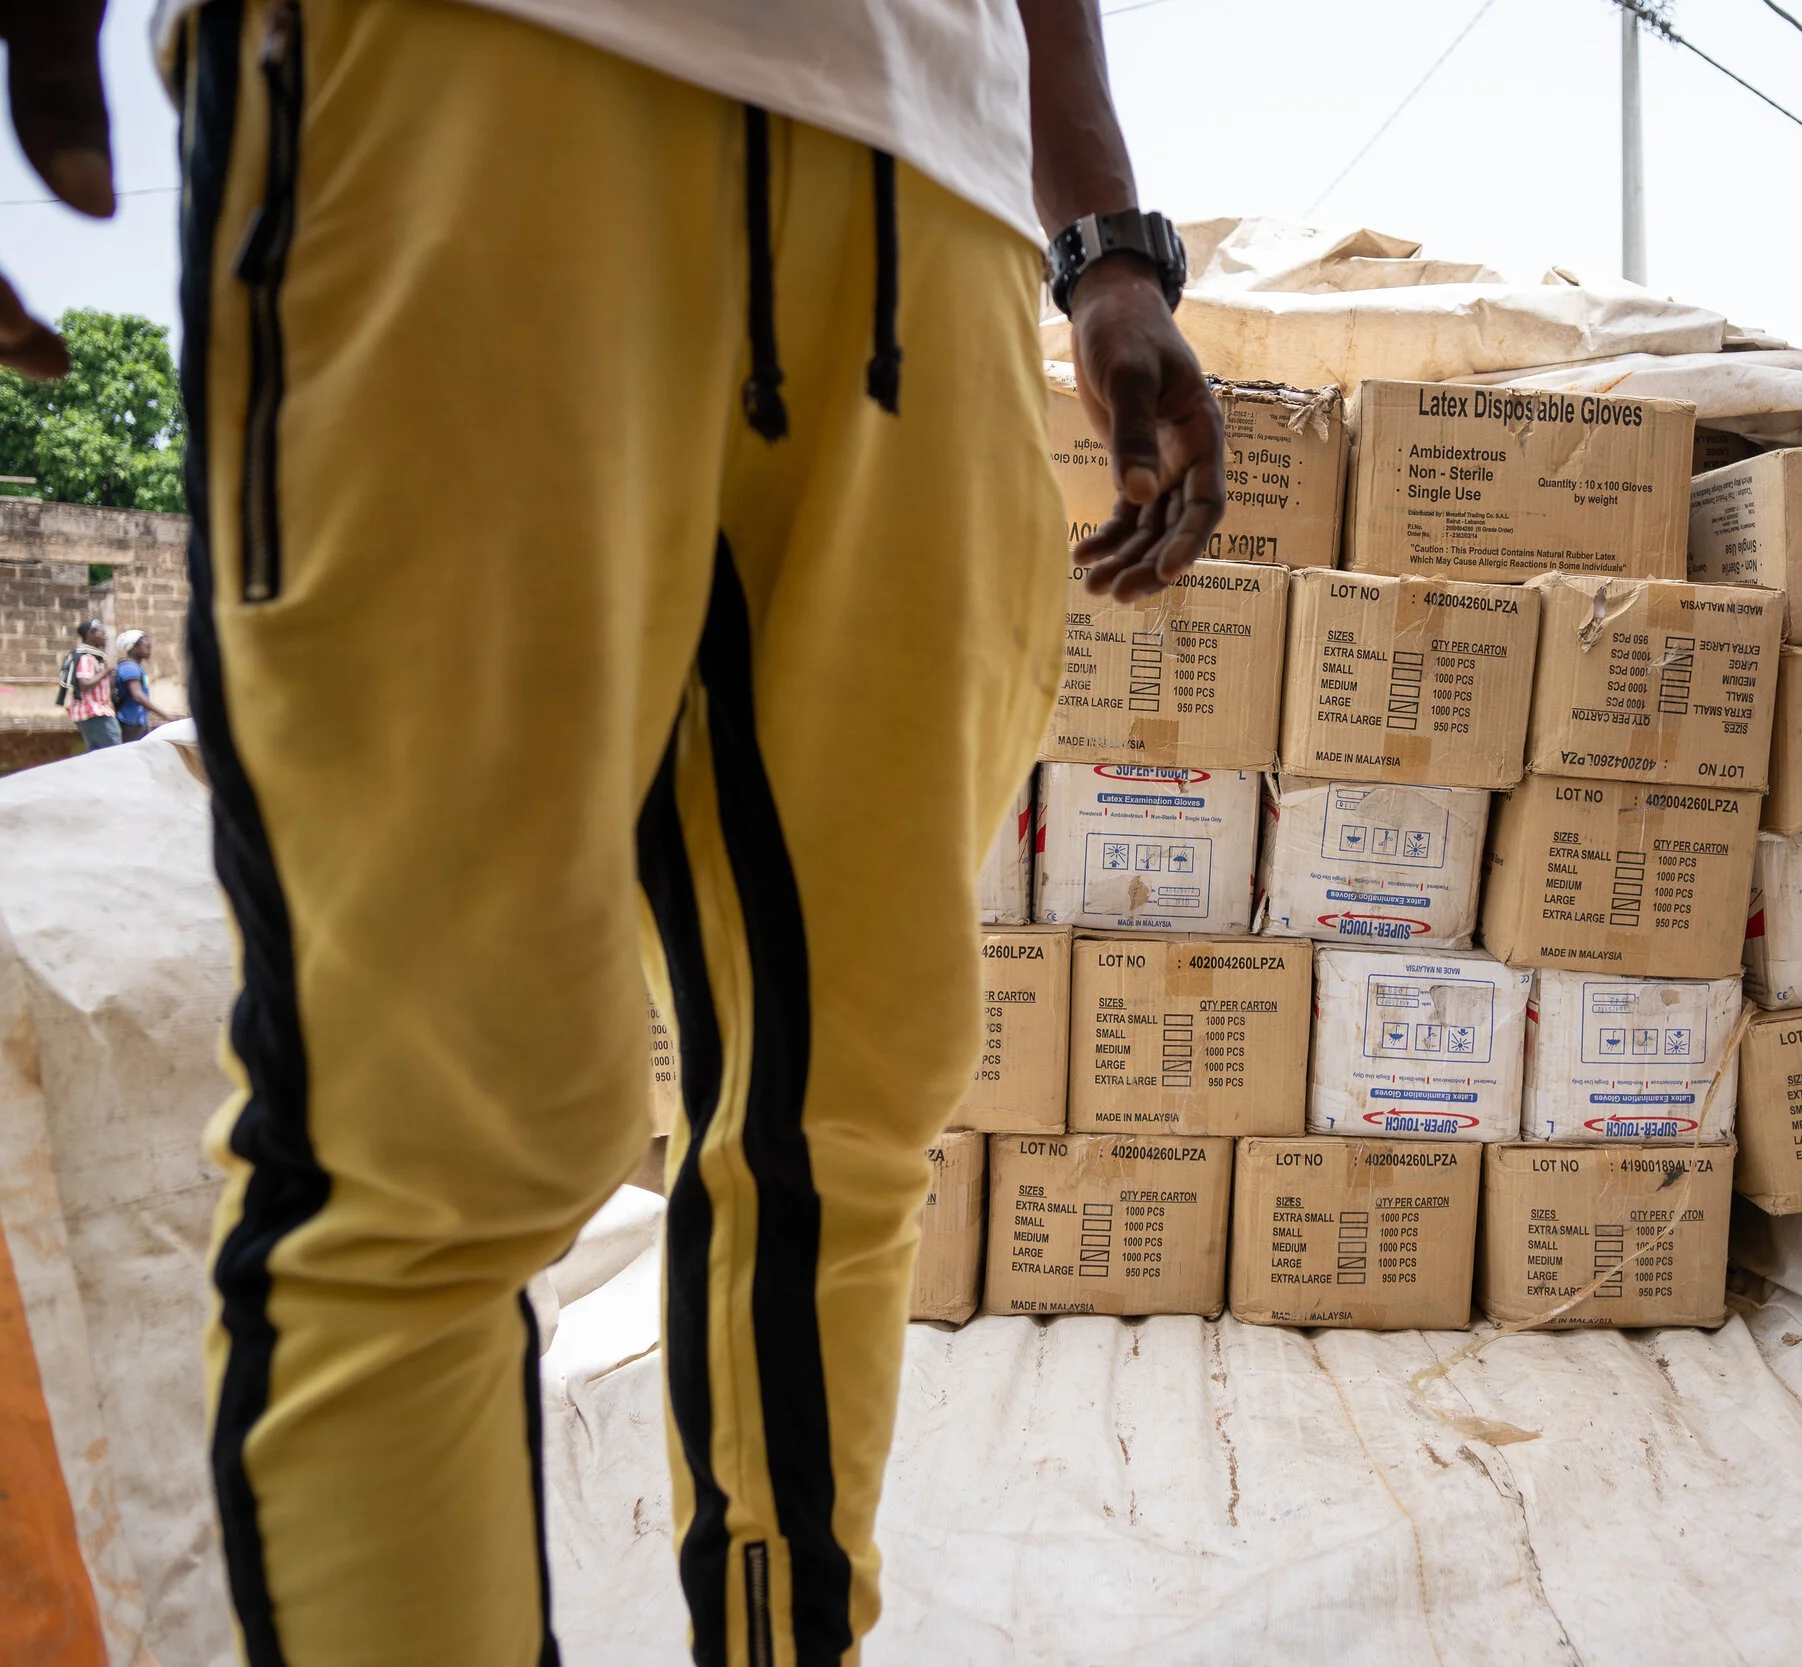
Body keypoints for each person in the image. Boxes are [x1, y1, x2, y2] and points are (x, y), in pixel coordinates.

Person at [9, 1, 1219, 1662]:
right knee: (419, 1135)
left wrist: (1103, 245)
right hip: (453, 66)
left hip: (929, 186)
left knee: (843, 1119)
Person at [62, 617, 119, 751]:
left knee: (97, 755)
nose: (105, 636)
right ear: (90, 635)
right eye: (101, 633)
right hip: (94, 712)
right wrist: (107, 670)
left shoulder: (93, 656)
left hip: (90, 714)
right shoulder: (87, 657)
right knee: (114, 753)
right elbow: (84, 683)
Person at [113, 628, 176, 741]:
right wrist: (165, 715)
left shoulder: (136, 667)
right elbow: (137, 696)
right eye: (146, 647)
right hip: (130, 722)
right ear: (134, 647)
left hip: (137, 721)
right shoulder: (129, 668)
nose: (149, 650)